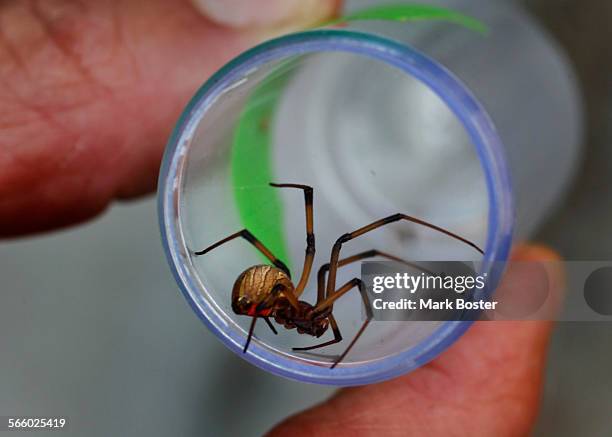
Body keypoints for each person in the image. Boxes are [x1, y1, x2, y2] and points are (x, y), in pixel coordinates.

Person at [0, 1, 563, 435]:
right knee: (339, 252)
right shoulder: (288, 301)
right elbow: (283, 259)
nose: (322, 325)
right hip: (264, 290)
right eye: (323, 331)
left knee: (347, 258)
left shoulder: (304, 311)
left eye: (322, 333)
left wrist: (331, 344)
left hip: (269, 293)